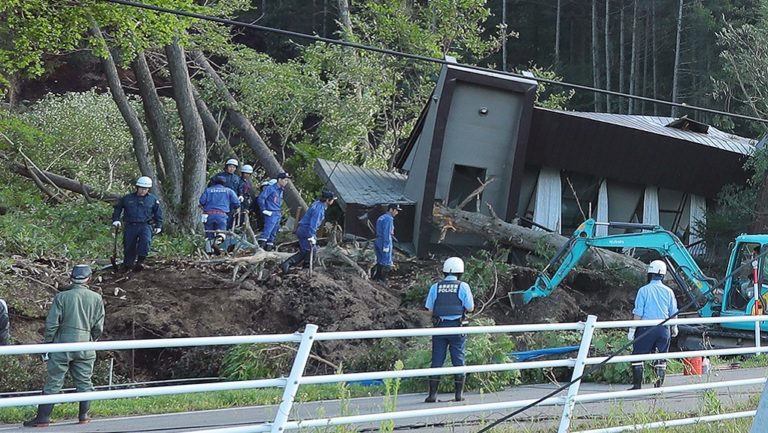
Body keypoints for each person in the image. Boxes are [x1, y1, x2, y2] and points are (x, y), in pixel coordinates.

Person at [23, 265, 105, 427]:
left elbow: (52, 324)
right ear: (89, 279)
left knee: (54, 381)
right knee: (84, 382)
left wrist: (48, 344)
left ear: (71, 277)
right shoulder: (96, 298)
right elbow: (98, 327)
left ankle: (43, 418)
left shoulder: (62, 297)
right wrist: (90, 339)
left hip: (62, 345)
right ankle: (84, 416)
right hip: (85, 345)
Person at [424, 257, 475, 403]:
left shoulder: (436, 287)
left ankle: (432, 395)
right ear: (461, 272)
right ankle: (458, 395)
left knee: (437, 361)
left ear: (444, 271)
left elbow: (429, 308)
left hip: (439, 329)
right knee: (458, 360)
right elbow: (470, 307)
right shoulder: (463, 286)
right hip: (457, 328)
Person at [627, 259, 678, 390]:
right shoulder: (669, 292)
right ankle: (658, 387)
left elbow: (638, 312)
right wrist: (674, 326)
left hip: (646, 328)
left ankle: (637, 386)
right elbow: (673, 312)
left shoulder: (643, 290)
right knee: (661, 357)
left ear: (650, 273)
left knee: (638, 356)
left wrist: (632, 329)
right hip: (663, 328)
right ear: (663, 275)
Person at [112, 176, 163, 271]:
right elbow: (118, 208)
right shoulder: (127, 198)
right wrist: (116, 219)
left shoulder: (152, 199)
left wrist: (158, 225)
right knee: (129, 244)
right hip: (130, 225)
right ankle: (128, 265)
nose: (143, 191)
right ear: (137, 187)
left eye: (146, 189)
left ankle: (140, 262)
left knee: (145, 242)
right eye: (142, 188)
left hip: (145, 225)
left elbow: (158, 213)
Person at [280, 191, 336, 273]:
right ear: (327, 200)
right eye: (332, 199)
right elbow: (313, 224)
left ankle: (305, 267)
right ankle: (288, 264)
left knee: (309, 250)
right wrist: (311, 236)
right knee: (309, 250)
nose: (333, 201)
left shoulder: (317, 203)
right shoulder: (319, 210)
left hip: (303, 229)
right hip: (306, 230)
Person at [199, 176, 241, 255]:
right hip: (221, 215)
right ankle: (217, 241)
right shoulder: (228, 191)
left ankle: (209, 253)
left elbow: (202, 201)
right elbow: (236, 202)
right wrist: (236, 208)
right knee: (222, 232)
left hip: (209, 215)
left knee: (209, 234)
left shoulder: (208, 190)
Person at [257, 172, 291, 251]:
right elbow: (261, 198)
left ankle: (268, 249)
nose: (286, 182)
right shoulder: (271, 188)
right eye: (285, 180)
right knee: (267, 232)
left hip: (277, 213)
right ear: (279, 180)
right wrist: (264, 209)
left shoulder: (281, 190)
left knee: (273, 233)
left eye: (287, 180)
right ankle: (260, 249)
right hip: (271, 212)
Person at [372, 203, 401, 282]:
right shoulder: (389, 219)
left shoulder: (381, 217)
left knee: (379, 260)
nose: (396, 213)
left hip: (378, 240)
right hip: (384, 241)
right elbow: (387, 233)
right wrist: (386, 245)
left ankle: (376, 278)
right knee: (387, 262)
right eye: (396, 210)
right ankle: (382, 280)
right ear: (391, 209)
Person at [211, 159, 244, 229]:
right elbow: (211, 187)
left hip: (231, 201)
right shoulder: (219, 176)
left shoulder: (237, 179)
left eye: (233, 167)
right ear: (227, 167)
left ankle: (227, 231)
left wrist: (241, 195)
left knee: (230, 216)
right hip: (219, 200)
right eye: (230, 167)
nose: (232, 169)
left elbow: (240, 188)